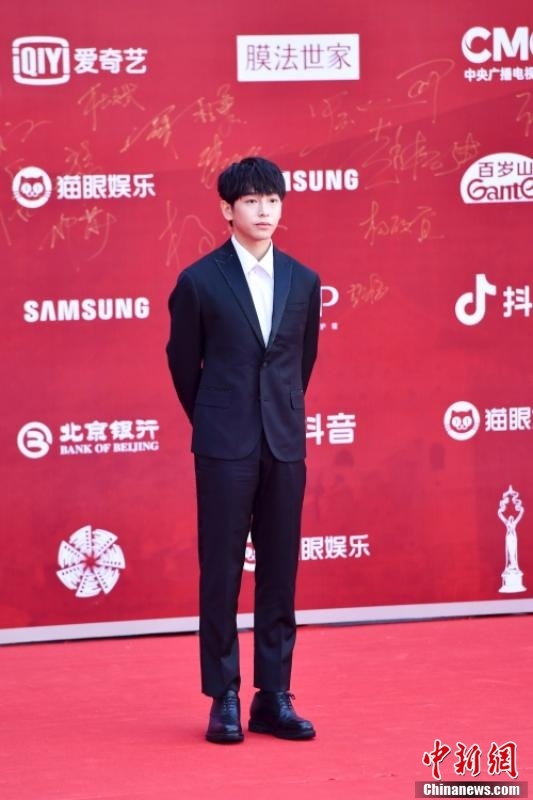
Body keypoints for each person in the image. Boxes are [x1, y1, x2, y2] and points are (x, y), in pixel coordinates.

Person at [166, 156, 320, 743]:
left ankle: (273, 696)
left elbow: (301, 362)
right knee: (222, 571)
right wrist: (217, 417)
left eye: (272, 200)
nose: (264, 211)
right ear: (227, 210)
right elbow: (184, 364)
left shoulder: (303, 280)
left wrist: (277, 412)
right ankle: (223, 695)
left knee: (280, 571)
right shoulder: (199, 281)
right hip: (223, 445)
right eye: (252, 201)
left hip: (283, 443)